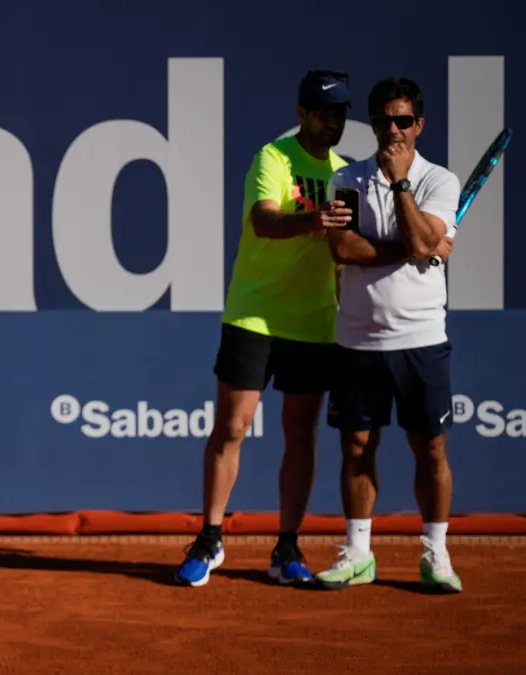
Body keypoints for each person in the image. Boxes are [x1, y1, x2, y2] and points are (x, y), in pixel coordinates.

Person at [175, 70, 355, 587]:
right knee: (232, 427)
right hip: (253, 315)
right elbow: (265, 221)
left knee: (300, 433)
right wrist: (314, 219)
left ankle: (287, 547)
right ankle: (210, 539)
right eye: (322, 112)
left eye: (339, 112)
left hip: (314, 321)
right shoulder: (273, 158)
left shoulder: (346, 174)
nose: (332, 121)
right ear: (302, 113)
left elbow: (345, 258)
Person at [316, 76, 462, 592]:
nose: (393, 130)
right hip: (358, 339)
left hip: (421, 338)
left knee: (432, 450)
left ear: (418, 124)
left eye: (403, 120)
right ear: (374, 125)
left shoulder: (440, 182)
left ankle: (435, 554)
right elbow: (344, 250)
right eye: (383, 120)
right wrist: (418, 248)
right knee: (357, 447)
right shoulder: (346, 180)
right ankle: (358, 553)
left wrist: (401, 184)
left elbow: (418, 240)